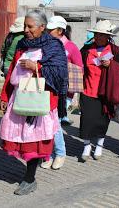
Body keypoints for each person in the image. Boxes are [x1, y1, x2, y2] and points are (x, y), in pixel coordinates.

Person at [0, 10, 68, 195]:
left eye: (30, 27)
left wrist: (37, 66)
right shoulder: (22, 44)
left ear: (42, 27)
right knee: (22, 138)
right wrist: (4, 96)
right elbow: (12, 69)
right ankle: (28, 175)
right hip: (20, 98)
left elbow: (59, 73)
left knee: (34, 141)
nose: (26, 30)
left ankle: (29, 178)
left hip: (39, 100)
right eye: (25, 26)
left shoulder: (53, 46)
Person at [41, 16, 83, 170]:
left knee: (55, 123)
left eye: (50, 29)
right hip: (46, 89)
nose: (48, 32)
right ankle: (47, 154)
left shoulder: (71, 47)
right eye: (47, 29)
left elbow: (79, 68)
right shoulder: (44, 44)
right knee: (45, 123)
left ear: (60, 30)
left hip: (63, 92)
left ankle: (59, 153)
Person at [79, 20, 119, 161]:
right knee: (86, 120)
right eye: (97, 34)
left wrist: (111, 65)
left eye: (102, 35)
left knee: (102, 121)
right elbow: (79, 67)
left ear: (108, 37)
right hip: (88, 91)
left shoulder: (115, 51)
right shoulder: (86, 50)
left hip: (106, 92)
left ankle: (99, 145)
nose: (99, 37)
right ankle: (87, 146)